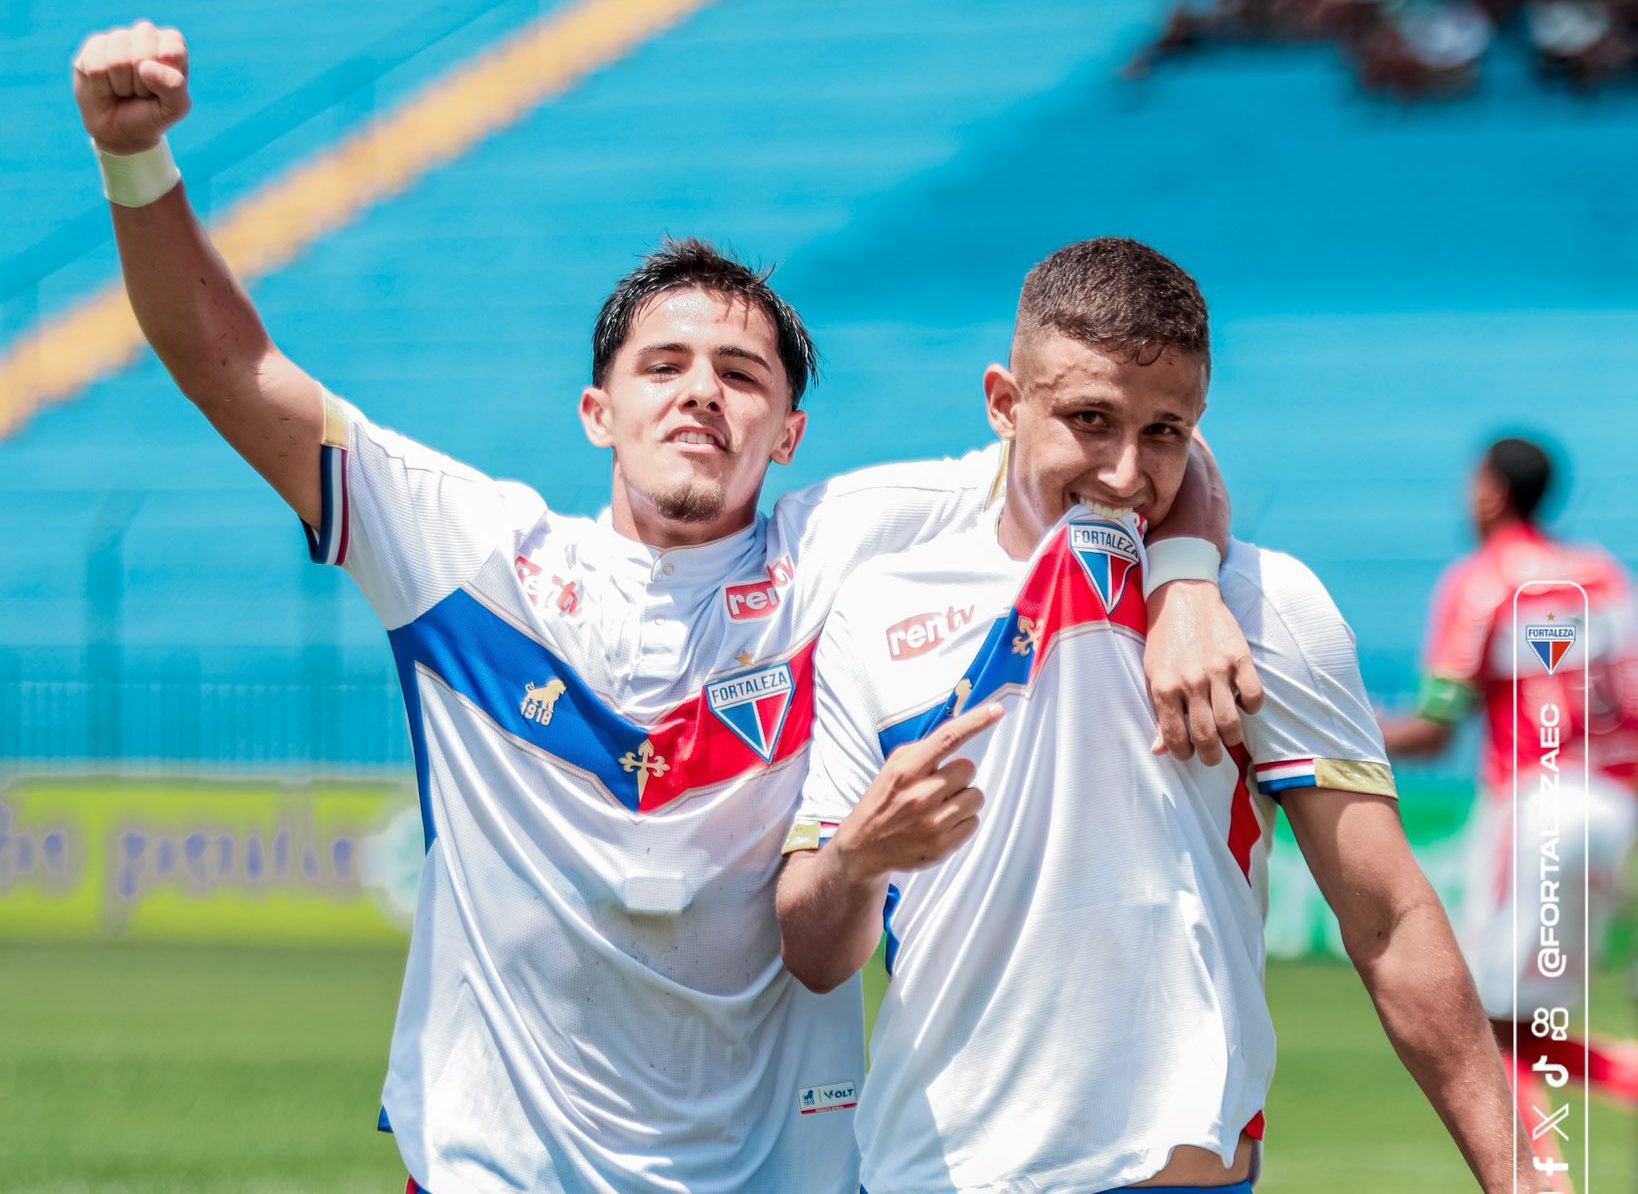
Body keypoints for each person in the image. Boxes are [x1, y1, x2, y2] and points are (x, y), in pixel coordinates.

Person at [70, 23, 1261, 1194]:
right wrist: (136, 163)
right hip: (502, 1166)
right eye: (664, 366)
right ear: (599, 411)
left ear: (787, 433)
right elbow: (233, 368)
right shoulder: (469, 553)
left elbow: (1128, 446)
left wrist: (1190, 578)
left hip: (778, 1170)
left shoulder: (849, 543)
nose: (703, 393)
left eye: (743, 376)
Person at [778, 238, 1545, 1192]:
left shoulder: (1270, 608)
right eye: (1090, 420)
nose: (1127, 473)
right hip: (926, 1175)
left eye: (1166, 431)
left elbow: (1390, 922)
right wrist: (858, 856)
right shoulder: (879, 608)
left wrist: (1526, 1180)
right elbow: (815, 954)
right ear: (1004, 404)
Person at [1379, 437, 1638, 1126]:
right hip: (1613, 805)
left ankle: (1537, 1181)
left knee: (1487, 1026)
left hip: (1536, 808)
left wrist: (1343, 733)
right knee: (1521, 1028)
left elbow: (1436, 728)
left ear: (1492, 492)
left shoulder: (1484, 581)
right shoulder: (1603, 574)